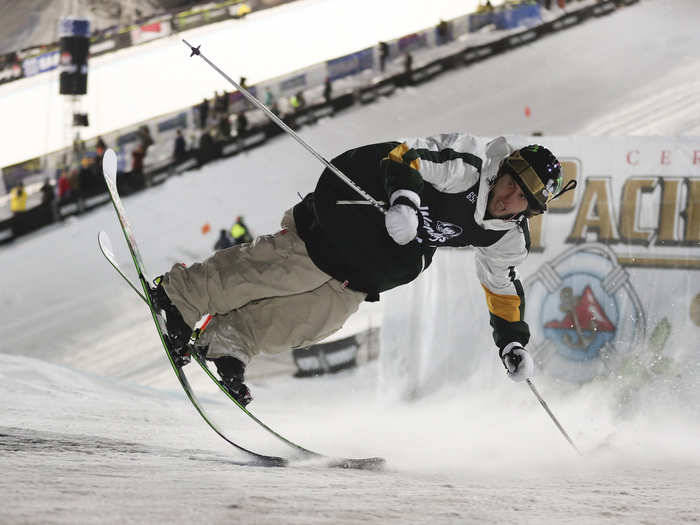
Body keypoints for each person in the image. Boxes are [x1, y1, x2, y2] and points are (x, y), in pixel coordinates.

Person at [148, 134, 574, 407]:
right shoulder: (468, 168)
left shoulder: (507, 238)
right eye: (510, 183)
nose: (507, 197)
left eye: (521, 198)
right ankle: (180, 296)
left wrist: (512, 344)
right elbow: (406, 156)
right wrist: (406, 200)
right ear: (504, 171)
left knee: (319, 317)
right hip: (359, 207)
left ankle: (228, 341)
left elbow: (501, 286)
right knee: (288, 268)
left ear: (530, 210)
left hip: (376, 259)